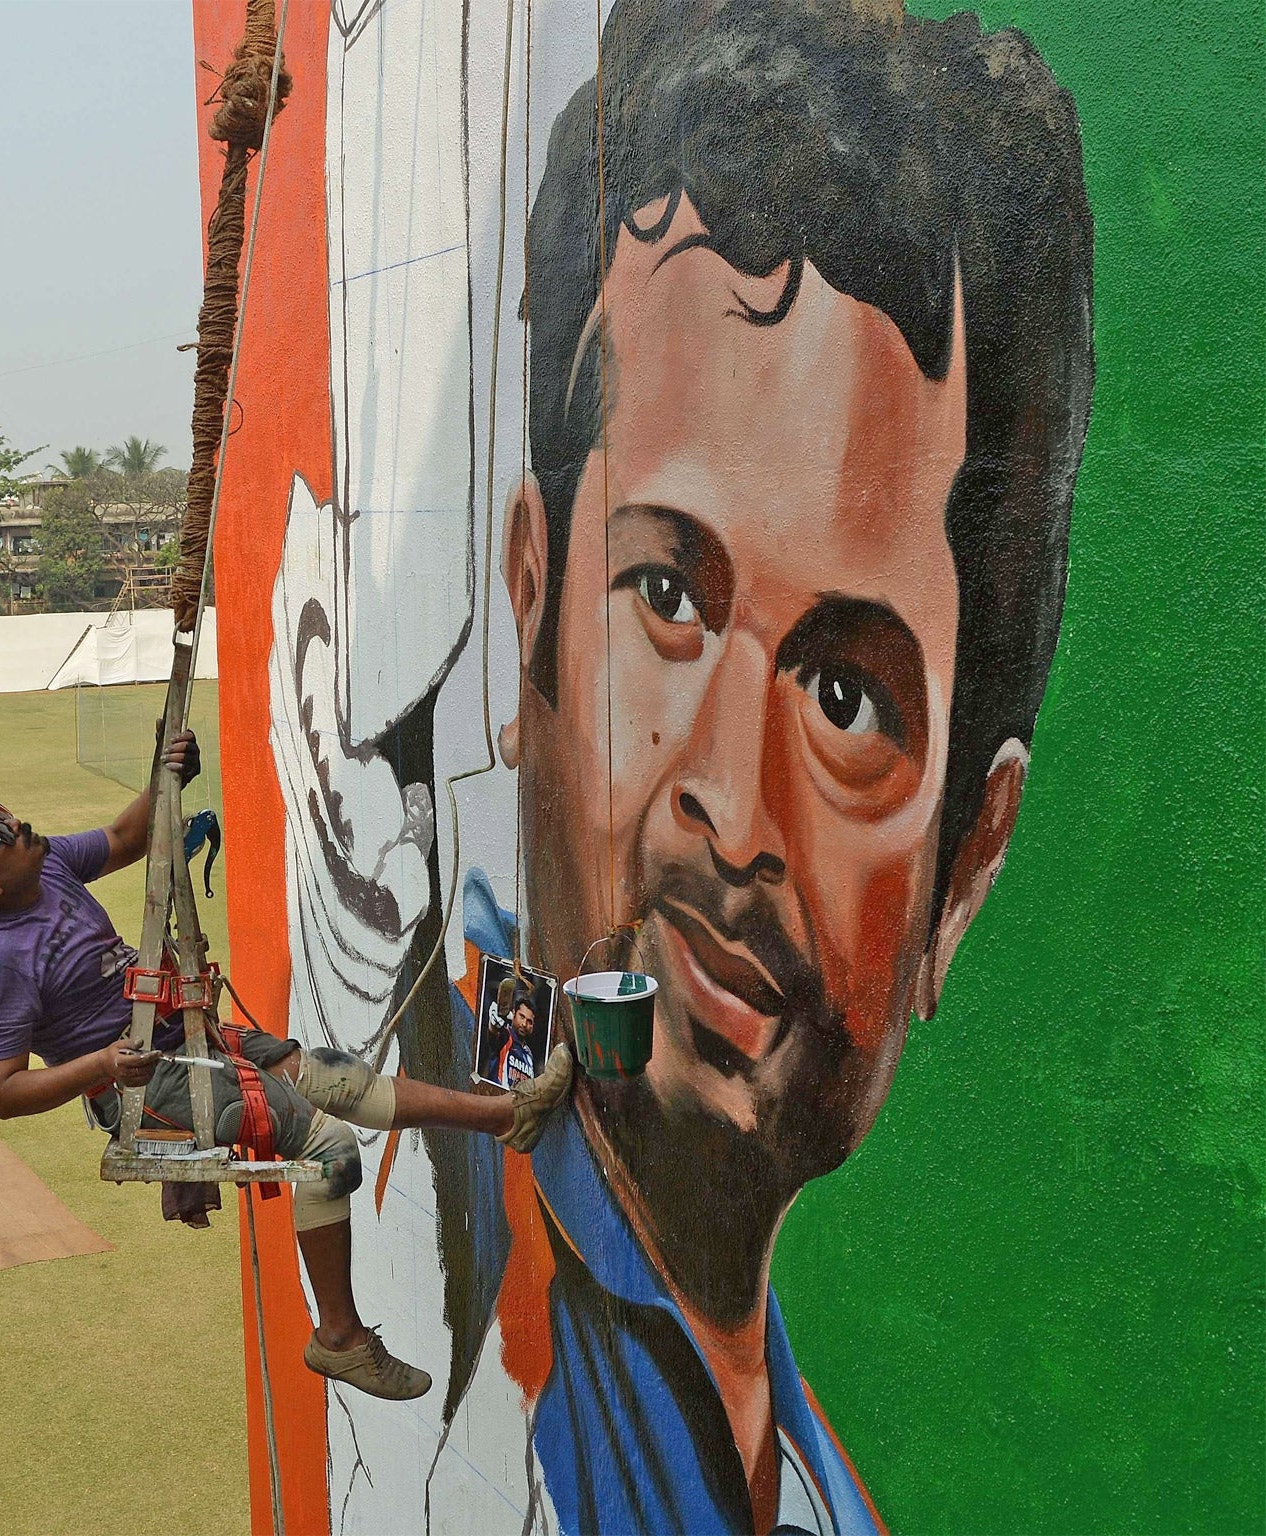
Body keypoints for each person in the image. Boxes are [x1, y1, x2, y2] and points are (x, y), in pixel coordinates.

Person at [469, 1, 1094, 1529]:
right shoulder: (470, 1301)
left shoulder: (812, 1487)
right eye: (667, 597)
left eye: (846, 696)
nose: (732, 810)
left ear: (966, 866)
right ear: (532, 609)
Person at [0, 728, 577, 1402]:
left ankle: (507, 1117)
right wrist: (104, 1064)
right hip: (142, 1086)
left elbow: (125, 838)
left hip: (186, 1038)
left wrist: (164, 775)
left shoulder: (45, 863)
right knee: (329, 1148)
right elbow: (4, 1089)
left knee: (335, 1080)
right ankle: (339, 1340)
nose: (16, 823)